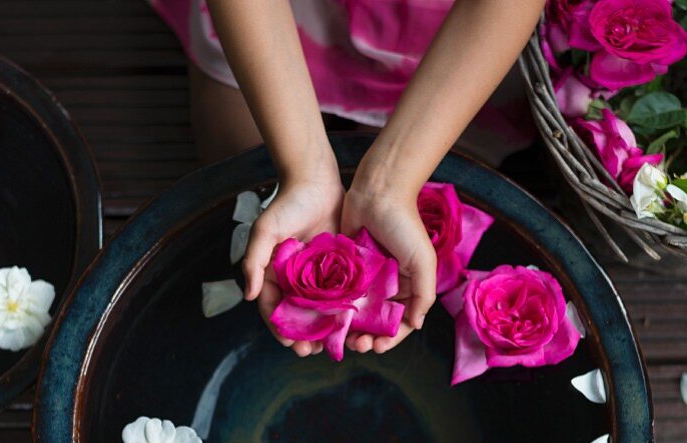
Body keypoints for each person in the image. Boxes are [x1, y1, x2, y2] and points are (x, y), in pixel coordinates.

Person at [150, 0, 545, 356]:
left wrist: (390, 185)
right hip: (287, 16)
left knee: (464, 191)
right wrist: (304, 170)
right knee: (236, 166)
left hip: (461, 33)